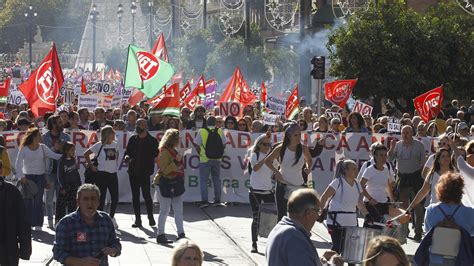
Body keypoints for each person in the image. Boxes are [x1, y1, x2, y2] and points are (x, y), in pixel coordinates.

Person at [266, 188, 342, 266]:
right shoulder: (294, 237)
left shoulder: (280, 229)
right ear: (309, 213)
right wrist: (333, 264)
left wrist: (320, 261)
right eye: (318, 211)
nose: (318, 217)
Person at [53, 184, 121, 265]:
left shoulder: (106, 220)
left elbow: (115, 242)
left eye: (93, 199)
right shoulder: (66, 223)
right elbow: (58, 252)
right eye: (85, 199)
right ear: (78, 202)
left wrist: (113, 250)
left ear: (98, 202)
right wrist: (80, 262)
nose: (90, 203)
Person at [416, 173, 474, 265]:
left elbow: (427, 230)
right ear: (461, 191)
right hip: (460, 258)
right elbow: (471, 233)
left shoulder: (431, 210)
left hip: (435, 258)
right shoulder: (470, 212)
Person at [15, 128, 62, 228]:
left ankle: (37, 224)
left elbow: (54, 155)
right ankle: (27, 223)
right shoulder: (24, 148)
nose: (41, 137)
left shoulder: (43, 147)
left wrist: (67, 155)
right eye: (39, 135)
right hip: (27, 178)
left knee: (38, 201)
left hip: (40, 177)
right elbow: (18, 164)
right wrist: (22, 177)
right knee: (28, 201)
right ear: (33, 137)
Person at [264, 122, 312, 220]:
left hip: (298, 186)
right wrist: (276, 171)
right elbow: (267, 161)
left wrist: (308, 167)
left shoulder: (303, 148)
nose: (298, 137)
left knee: (297, 216)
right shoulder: (281, 148)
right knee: (281, 216)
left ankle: (295, 235)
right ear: (289, 136)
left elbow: (310, 160)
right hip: (283, 185)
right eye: (296, 135)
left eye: (300, 135)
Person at [319, 159, 367, 254]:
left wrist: (368, 215)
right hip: (336, 221)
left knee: (351, 252)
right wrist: (318, 212)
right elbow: (324, 197)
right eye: (353, 169)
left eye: (356, 169)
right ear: (345, 170)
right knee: (337, 248)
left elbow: (359, 203)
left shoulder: (357, 184)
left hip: (351, 222)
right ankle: (326, 262)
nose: (356, 171)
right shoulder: (337, 182)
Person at [388, 125, 426, 241]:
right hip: (402, 178)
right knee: (403, 207)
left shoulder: (419, 145)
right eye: (403, 132)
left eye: (407, 132)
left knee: (418, 206)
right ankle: (405, 231)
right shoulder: (398, 145)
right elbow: (390, 159)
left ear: (412, 133)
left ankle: (418, 231)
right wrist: (392, 147)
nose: (405, 135)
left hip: (415, 178)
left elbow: (423, 163)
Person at [124, 118, 158, 227]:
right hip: (133, 171)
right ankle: (137, 219)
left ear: (146, 126)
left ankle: (150, 217)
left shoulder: (152, 140)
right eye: (137, 124)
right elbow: (127, 152)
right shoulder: (133, 139)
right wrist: (127, 157)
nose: (138, 126)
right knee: (135, 196)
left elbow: (156, 153)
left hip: (145, 172)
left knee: (147, 196)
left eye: (141, 124)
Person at [84, 125, 120, 228]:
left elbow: (116, 157)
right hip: (102, 174)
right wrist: (91, 166)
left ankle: (111, 217)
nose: (114, 134)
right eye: (112, 132)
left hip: (113, 174)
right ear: (108, 134)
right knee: (101, 198)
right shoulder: (99, 145)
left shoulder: (116, 144)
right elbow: (86, 154)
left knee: (115, 197)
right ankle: (99, 219)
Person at [156, 129, 186, 244]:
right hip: (165, 183)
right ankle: (161, 234)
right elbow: (164, 170)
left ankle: (181, 233)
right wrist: (176, 162)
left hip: (176, 182)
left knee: (179, 210)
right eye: (178, 139)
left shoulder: (173, 150)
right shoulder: (164, 152)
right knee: (164, 210)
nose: (179, 141)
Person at [247, 132, 275, 253]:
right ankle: (254, 243)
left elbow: (275, 172)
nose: (267, 147)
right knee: (256, 217)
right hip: (255, 191)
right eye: (265, 144)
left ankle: (271, 243)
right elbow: (256, 168)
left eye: (269, 145)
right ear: (259, 145)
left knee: (272, 218)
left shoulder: (272, 157)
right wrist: (266, 158)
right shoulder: (255, 155)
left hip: (268, 190)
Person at [42, 114, 71, 229]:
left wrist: (63, 149)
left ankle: (59, 221)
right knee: (49, 199)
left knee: (61, 198)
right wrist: (55, 148)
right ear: (53, 125)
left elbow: (70, 152)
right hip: (49, 172)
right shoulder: (44, 137)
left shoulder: (66, 137)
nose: (62, 124)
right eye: (59, 122)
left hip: (62, 172)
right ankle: (49, 221)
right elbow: (44, 153)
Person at [406, 148, 455, 213]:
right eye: (443, 156)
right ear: (438, 160)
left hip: (452, 210)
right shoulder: (432, 174)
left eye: (448, 156)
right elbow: (423, 192)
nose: (446, 158)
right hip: (435, 210)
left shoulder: (456, 174)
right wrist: (410, 207)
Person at [0, 169, 32, 265]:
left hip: (9, 248)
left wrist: (25, 250)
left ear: (1, 171)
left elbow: (23, 222)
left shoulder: (12, 192)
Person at [361, 142, 396, 228]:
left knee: (383, 229)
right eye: (381, 155)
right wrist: (370, 199)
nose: (384, 157)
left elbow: (388, 186)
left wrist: (392, 200)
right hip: (371, 204)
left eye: (385, 155)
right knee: (371, 229)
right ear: (375, 156)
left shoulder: (386, 169)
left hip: (383, 203)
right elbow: (360, 185)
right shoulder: (369, 169)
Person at [194, 116, 226, 208]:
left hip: (205, 159)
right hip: (217, 159)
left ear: (206, 122)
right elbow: (224, 145)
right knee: (216, 179)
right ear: (215, 122)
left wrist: (201, 154)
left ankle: (205, 201)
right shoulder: (220, 131)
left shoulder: (202, 131)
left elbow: (197, 145)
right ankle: (217, 200)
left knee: (204, 180)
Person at [55, 142, 82, 224]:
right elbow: (59, 175)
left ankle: (71, 222)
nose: (74, 152)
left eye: (74, 150)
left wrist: (79, 183)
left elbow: (76, 172)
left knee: (73, 205)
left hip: (73, 186)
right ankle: (59, 222)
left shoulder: (73, 159)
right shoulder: (62, 161)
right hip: (65, 186)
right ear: (66, 151)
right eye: (72, 150)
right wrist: (62, 187)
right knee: (61, 205)